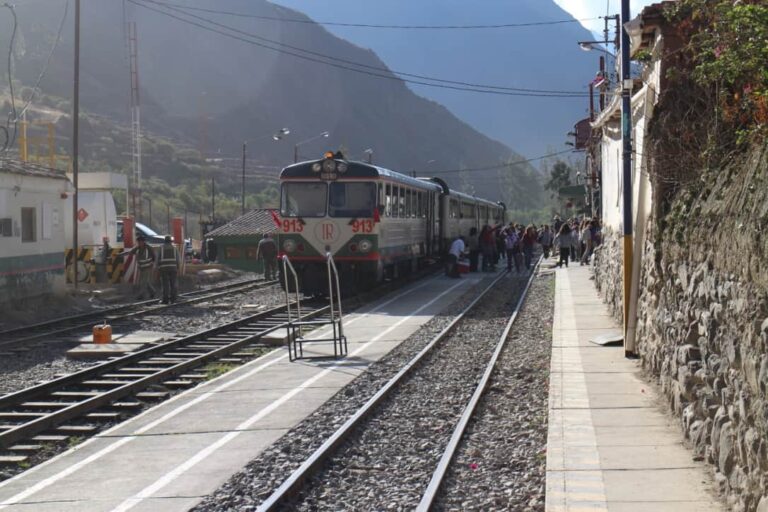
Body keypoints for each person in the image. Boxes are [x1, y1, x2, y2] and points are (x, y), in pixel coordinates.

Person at [121, 235, 156, 300]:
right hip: (141, 268)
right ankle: (153, 292)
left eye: (140, 242)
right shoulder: (137, 248)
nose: (139, 243)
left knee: (143, 282)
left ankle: (141, 295)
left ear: (143, 242)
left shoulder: (149, 248)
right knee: (146, 282)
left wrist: (153, 264)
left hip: (147, 267)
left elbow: (154, 256)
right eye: (138, 242)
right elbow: (130, 252)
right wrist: (121, 254)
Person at [157, 235, 180, 304]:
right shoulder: (174, 248)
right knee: (173, 284)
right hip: (173, 268)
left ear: (165, 241)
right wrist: (177, 267)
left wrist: (158, 268)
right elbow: (178, 259)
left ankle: (165, 300)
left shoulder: (161, 248)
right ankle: (173, 299)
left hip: (164, 268)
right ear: (171, 241)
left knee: (165, 285)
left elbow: (158, 258)